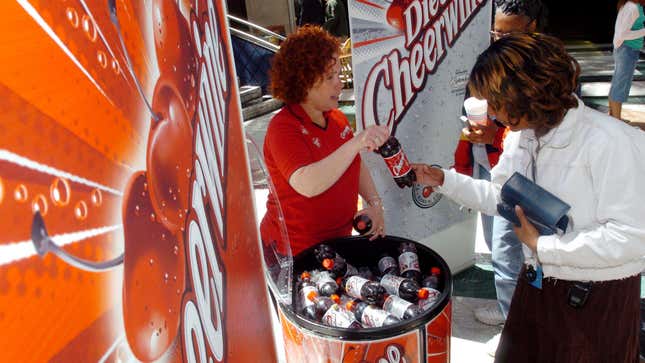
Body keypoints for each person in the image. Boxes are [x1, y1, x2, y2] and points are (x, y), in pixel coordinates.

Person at [413, 32, 645, 362]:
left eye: (496, 102)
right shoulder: (524, 135)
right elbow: (502, 199)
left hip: (593, 300)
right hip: (537, 283)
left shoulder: (611, 143)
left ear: (527, 93)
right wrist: (443, 180)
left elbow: (633, 238)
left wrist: (544, 246)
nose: (491, 113)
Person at [453, 0, 549, 333]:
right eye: (496, 32)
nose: (501, 39)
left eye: (511, 32)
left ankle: (517, 330)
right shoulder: (493, 62)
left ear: (532, 27)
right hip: (487, 164)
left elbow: (540, 131)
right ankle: (511, 308)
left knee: (510, 253)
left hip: (521, 179)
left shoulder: (542, 71)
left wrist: (496, 133)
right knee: (498, 247)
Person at [260, 25, 389, 259]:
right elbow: (307, 184)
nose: (340, 83)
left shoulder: (336, 117)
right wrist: (357, 141)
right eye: (330, 77)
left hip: (336, 245)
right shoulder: (282, 127)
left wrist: (375, 203)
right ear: (304, 81)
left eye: (339, 74)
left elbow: (354, 164)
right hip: (292, 253)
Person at [609, 0, 645, 121]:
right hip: (627, 50)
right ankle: (616, 120)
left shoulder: (631, 6)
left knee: (618, 83)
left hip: (627, 49)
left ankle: (613, 117)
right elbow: (623, 33)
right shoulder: (632, 7)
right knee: (620, 85)